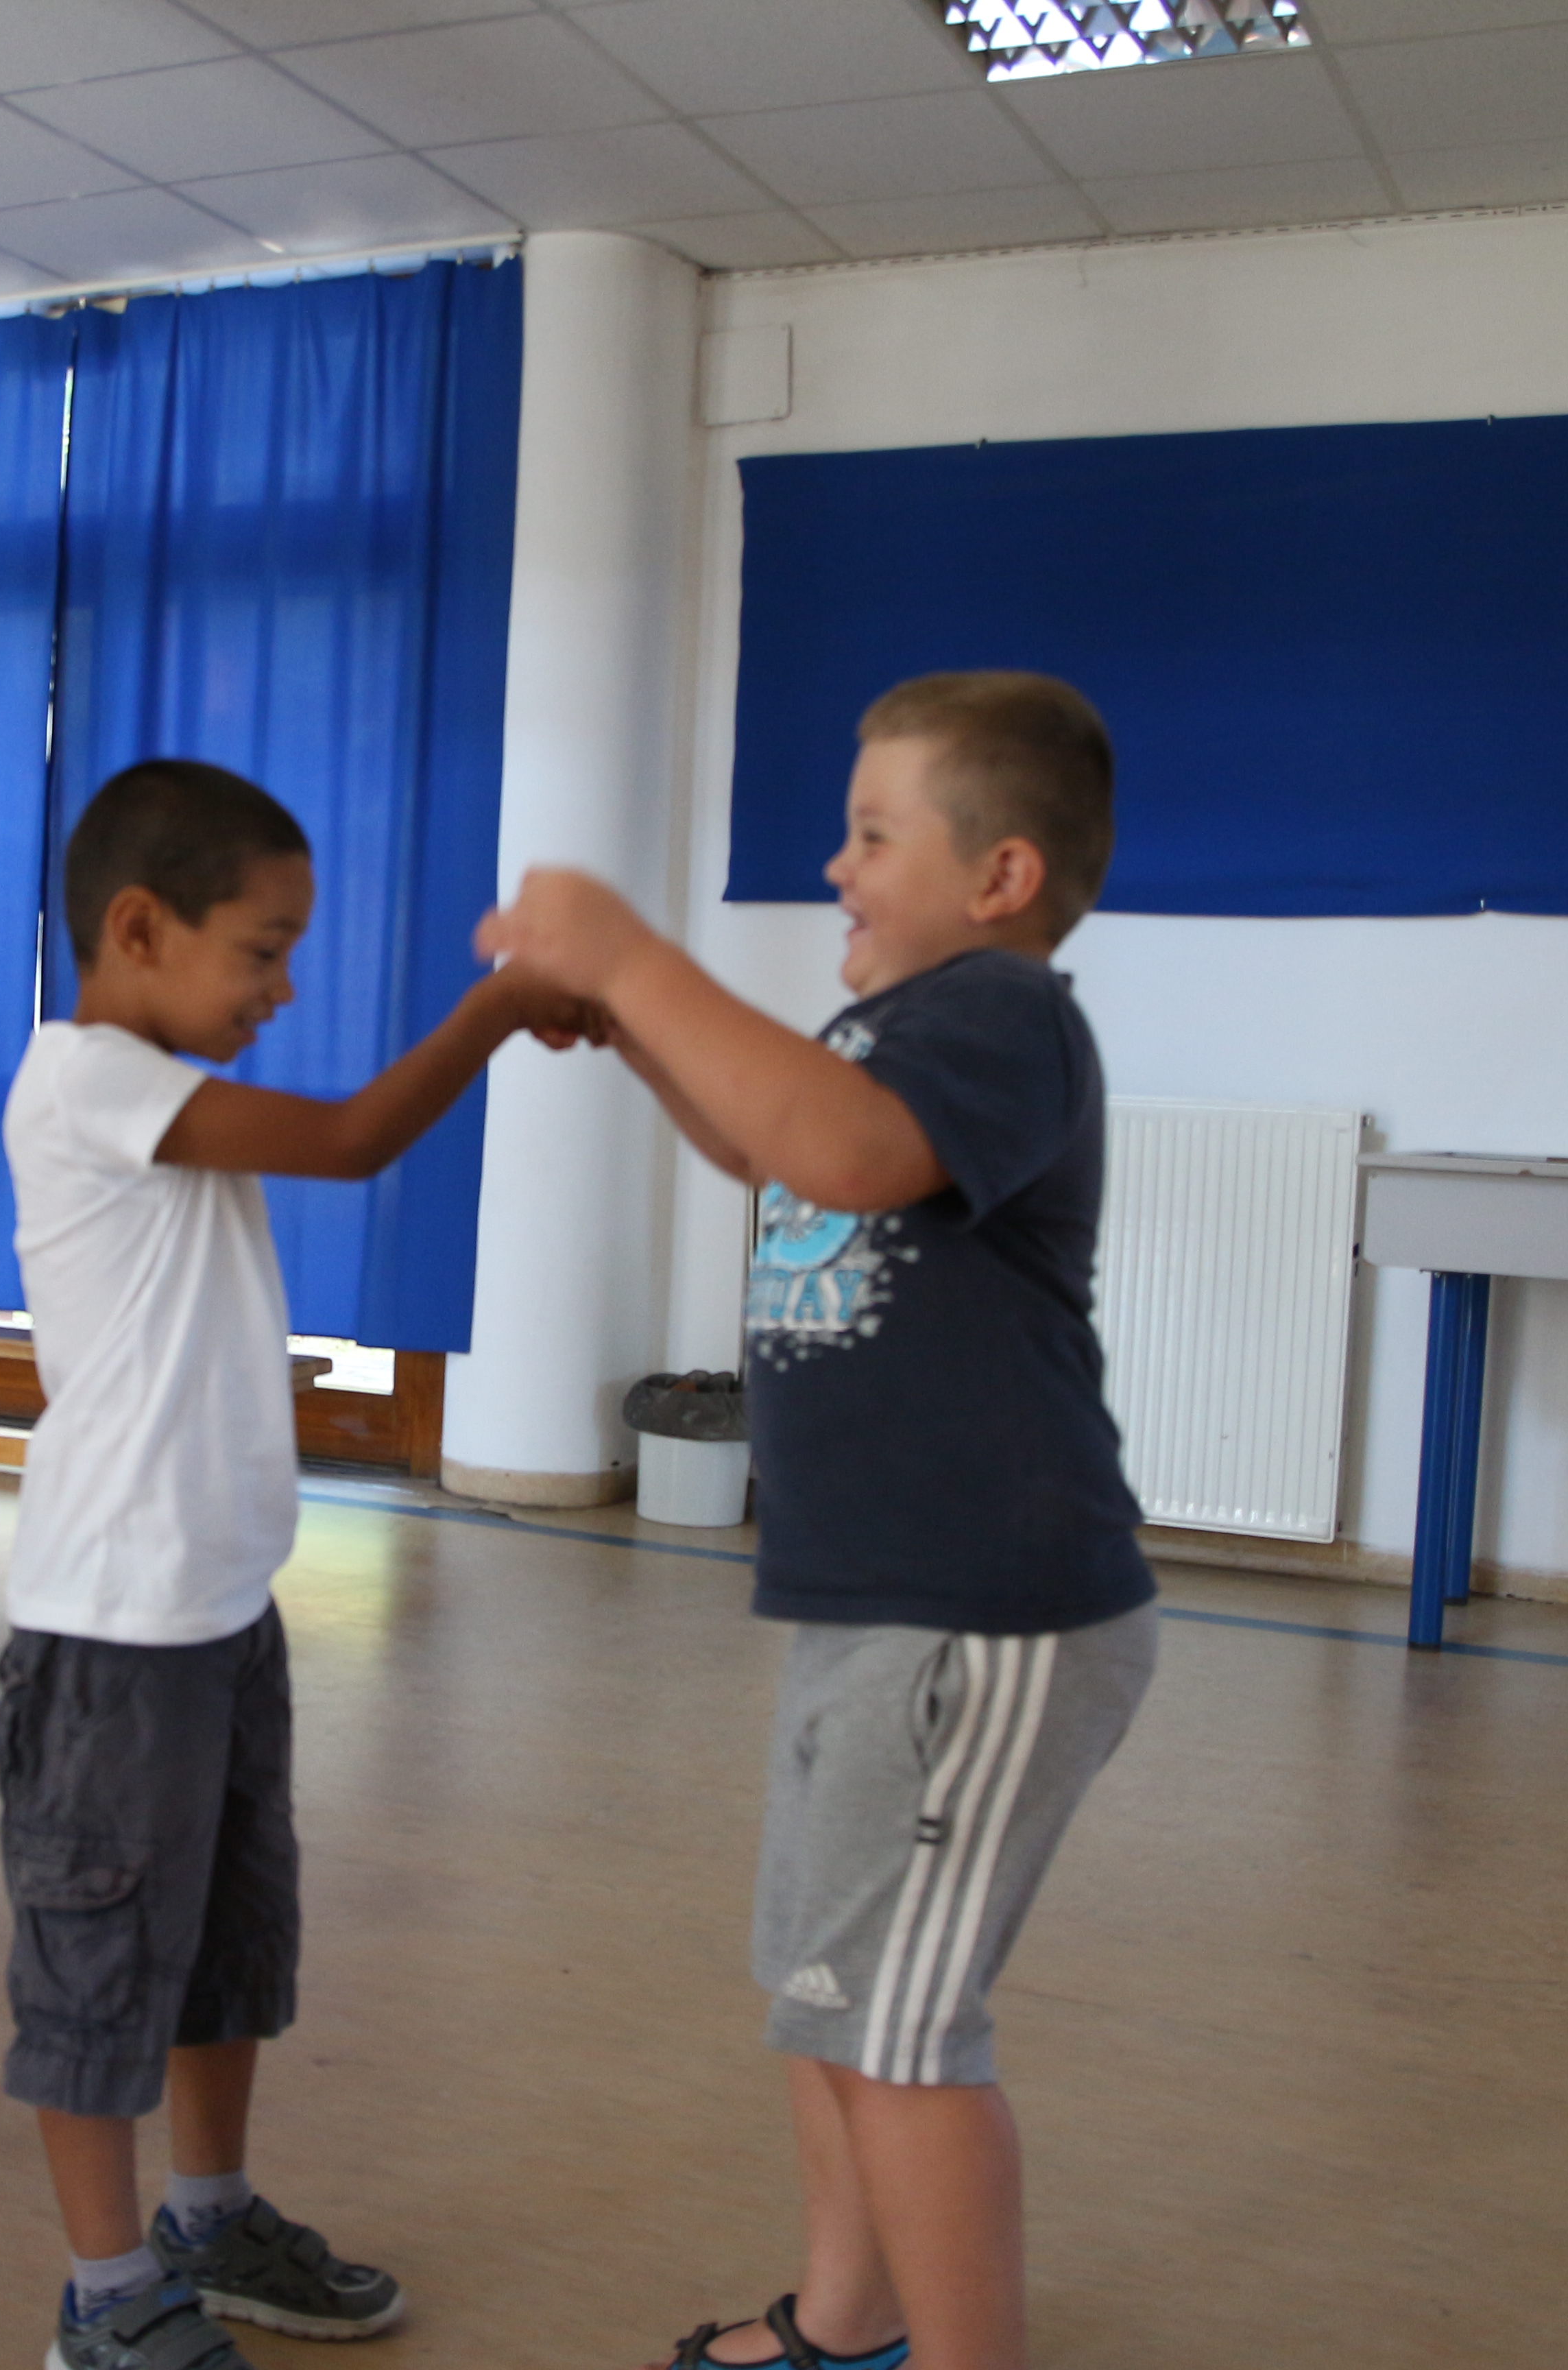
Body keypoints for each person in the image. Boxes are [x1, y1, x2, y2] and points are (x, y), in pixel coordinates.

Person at [481, 672, 1157, 2370]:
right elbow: (772, 1146)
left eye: (871, 836)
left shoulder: (1002, 1013)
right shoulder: (894, 1031)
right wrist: (632, 1031)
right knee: (829, 1991)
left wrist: (638, 956)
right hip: (883, 1605)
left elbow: (843, 1156)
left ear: (1000, 878)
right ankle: (849, 2325)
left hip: (980, 1613)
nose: (837, 867)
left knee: (906, 2037)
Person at [0, 757, 596, 2370]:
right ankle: (104, 2300)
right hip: (111, 1632)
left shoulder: (154, 1088)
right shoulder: (83, 1077)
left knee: (220, 1944)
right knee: (96, 1969)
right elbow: (347, 1141)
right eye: (262, 951)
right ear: (137, 929)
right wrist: (496, 1010)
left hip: (214, 1612)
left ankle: (207, 2221)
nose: (283, 986)